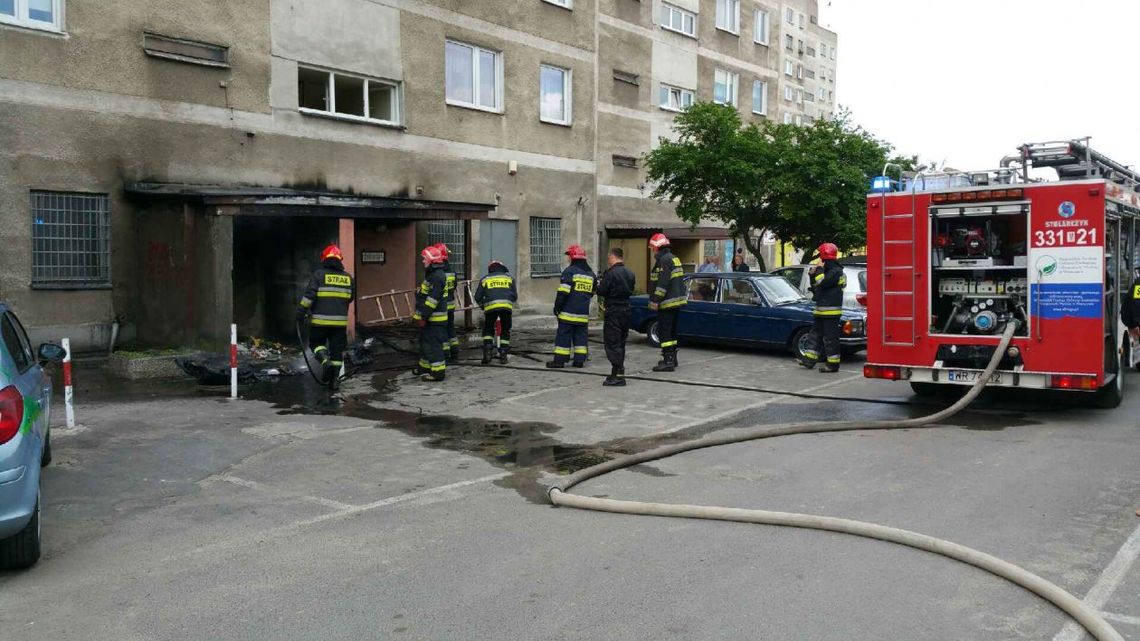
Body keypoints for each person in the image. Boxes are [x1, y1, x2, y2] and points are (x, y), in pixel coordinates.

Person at [297, 244, 355, 388]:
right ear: (339, 260)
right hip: (339, 324)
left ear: (324, 259)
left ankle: (325, 362)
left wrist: (301, 312)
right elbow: (350, 298)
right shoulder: (348, 278)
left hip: (320, 322)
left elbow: (309, 297)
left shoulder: (319, 275)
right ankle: (334, 381)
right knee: (337, 351)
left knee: (316, 344)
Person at [799, 242, 846, 373]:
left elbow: (822, 282)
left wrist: (819, 269)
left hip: (830, 312)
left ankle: (832, 365)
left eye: (821, 256)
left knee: (830, 339)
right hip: (821, 310)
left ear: (825, 256)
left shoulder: (836, 272)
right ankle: (809, 360)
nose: (820, 259)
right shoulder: (829, 271)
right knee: (814, 336)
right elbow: (817, 286)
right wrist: (811, 274)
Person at [547, 244, 596, 369]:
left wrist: (557, 307)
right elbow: (592, 293)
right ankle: (579, 361)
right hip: (583, 314)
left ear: (573, 257)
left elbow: (563, 293)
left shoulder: (569, 271)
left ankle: (559, 361)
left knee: (563, 337)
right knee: (581, 338)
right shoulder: (591, 274)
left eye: (569, 256)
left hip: (568, 313)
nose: (568, 258)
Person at [597, 247, 636, 386]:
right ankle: (617, 372)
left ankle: (618, 375)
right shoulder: (630, 273)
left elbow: (602, 291)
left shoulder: (611, 273)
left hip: (613, 311)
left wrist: (599, 284)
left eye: (609, 258)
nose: (608, 260)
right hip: (626, 310)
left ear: (612, 257)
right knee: (621, 342)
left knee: (612, 342)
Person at [648, 233, 687, 372]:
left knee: (664, 332)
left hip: (667, 302)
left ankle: (668, 361)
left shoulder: (663, 260)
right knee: (672, 331)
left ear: (657, 247)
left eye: (652, 247)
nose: (652, 250)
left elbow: (662, 283)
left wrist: (655, 300)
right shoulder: (673, 258)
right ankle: (672, 358)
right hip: (676, 302)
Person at [413, 245, 450, 382]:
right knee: (426, 344)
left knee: (434, 346)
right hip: (431, 318)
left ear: (431, 260)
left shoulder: (437, 276)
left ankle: (438, 373)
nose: (423, 261)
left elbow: (432, 300)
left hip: (434, 319)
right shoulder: (433, 274)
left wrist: (423, 316)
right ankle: (425, 367)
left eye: (425, 259)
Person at [474, 259, 517, 365]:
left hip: (491, 308)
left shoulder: (485, 279)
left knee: (488, 330)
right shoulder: (509, 278)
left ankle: (487, 354)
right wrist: (508, 302)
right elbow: (515, 296)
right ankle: (503, 356)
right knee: (505, 330)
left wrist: (483, 306)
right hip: (506, 308)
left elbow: (477, 297)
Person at [436, 243, 460, 363]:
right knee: (451, 328)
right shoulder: (452, 271)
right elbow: (454, 286)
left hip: (440, 307)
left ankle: (445, 354)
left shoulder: (436, 272)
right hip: (450, 305)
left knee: (442, 330)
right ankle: (455, 351)